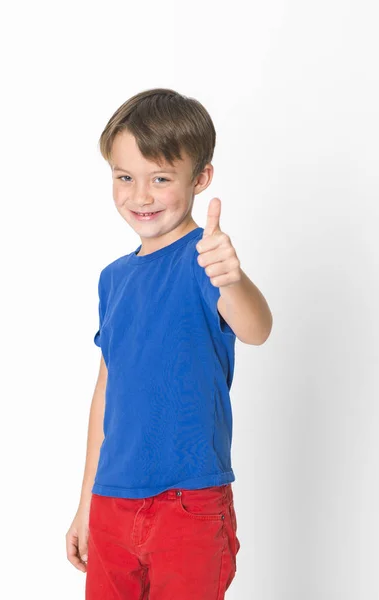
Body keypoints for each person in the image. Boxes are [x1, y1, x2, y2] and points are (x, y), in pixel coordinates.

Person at [66, 87, 273, 599]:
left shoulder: (205, 261)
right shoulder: (112, 280)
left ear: (200, 178)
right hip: (113, 502)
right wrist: (87, 502)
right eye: (124, 178)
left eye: (160, 179)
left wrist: (232, 279)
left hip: (189, 503)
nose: (140, 196)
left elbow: (257, 328)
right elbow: (105, 394)